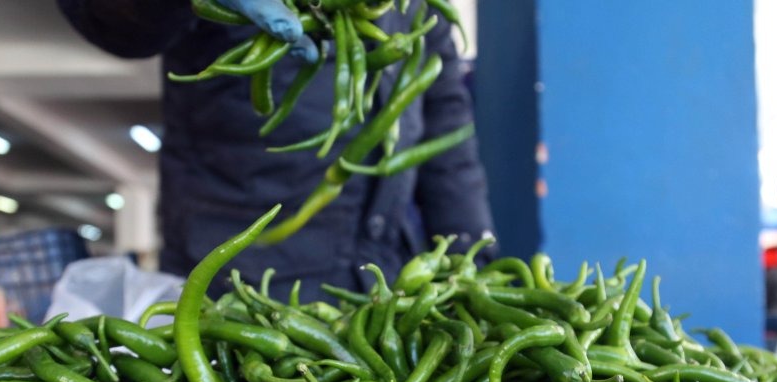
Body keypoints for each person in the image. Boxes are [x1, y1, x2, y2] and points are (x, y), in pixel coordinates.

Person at [57, 0, 494, 301]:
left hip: (385, 263)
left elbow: (444, 117)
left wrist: (473, 254)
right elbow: (112, 23)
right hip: (241, 269)